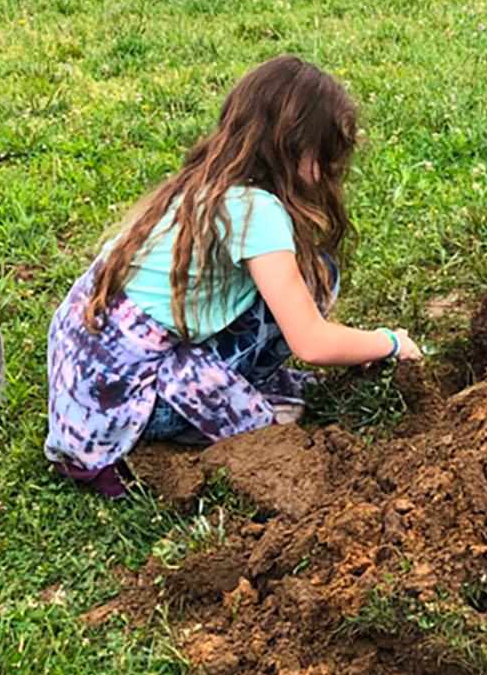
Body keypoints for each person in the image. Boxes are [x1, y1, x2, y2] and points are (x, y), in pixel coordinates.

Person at [45, 55, 421, 496]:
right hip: (132, 409)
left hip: (89, 389)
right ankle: (203, 419)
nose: (333, 170)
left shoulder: (205, 181)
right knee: (316, 282)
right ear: (292, 146)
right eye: (327, 155)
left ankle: (212, 398)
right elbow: (312, 343)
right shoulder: (255, 212)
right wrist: (390, 342)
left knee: (310, 274)